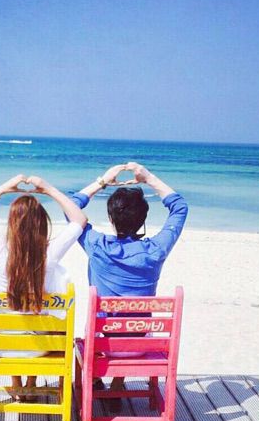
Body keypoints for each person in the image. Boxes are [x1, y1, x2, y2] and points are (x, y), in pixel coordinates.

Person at [71, 161, 188, 402]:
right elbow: (180, 208)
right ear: (143, 218)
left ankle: (96, 380)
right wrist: (148, 177)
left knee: (95, 324)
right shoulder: (155, 250)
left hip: (102, 345)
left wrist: (102, 181)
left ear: (111, 218)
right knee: (128, 321)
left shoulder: (98, 245)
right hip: (139, 344)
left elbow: (71, 208)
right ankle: (117, 384)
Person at [0, 174, 87, 401]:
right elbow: (79, 219)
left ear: (12, 224)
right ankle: (31, 383)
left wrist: (3, 188)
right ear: (42, 224)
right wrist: (48, 189)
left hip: (2, 347)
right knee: (49, 311)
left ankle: (17, 383)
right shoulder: (49, 254)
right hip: (38, 347)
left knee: (9, 315)